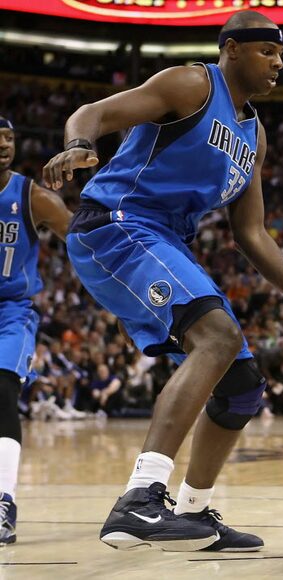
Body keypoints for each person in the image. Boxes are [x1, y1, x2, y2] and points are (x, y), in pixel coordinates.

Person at [41, 11, 283, 552]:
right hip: (117, 222)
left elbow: (251, 233)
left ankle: (194, 514)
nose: (279, 62)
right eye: (266, 52)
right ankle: (139, 499)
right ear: (231, 49)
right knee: (218, 338)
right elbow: (93, 112)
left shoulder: (252, 133)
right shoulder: (191, 83)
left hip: (163, 239)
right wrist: (77, 144)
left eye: (282, 54)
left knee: (242, 384)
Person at [0, 116, 73, 544]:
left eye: (9, 137)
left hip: (10, 310)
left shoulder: (32, 197)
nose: (5, 145)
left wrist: (122, 302)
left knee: (3, 388)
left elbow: (81, 245)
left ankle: (3, 499)